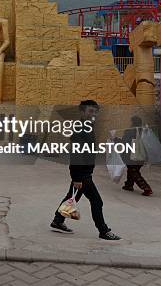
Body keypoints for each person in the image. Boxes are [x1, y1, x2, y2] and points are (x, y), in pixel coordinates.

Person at [50, 100, 121, 241]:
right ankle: (103, 231)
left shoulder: (88, 127)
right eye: (90, 111)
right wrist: (76, 177)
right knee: (97, 202)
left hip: (84, 173)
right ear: (82, 112)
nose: (93, 114)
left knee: (72, 197)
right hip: (83, 174)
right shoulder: (81, 129)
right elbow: (76, 155)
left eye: (95, 112)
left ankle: (57, 221)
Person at [115, 116, 152, 196]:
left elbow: (124, 143)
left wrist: (115, 139)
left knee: (134, 172)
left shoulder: (130, 131)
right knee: (132, 170)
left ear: (132, 122)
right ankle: (128, 185)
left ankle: (146, 188)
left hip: (132, 156)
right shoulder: (144, 131)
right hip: (142, 156)